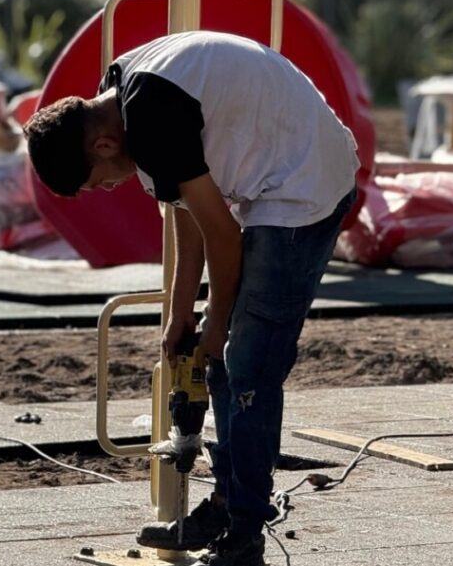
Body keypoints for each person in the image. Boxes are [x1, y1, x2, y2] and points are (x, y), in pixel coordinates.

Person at [25, 30, 360, 565]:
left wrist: (217, 323)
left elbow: (222, 236)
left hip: (304, 184)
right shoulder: (121, 94)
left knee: (248, 363)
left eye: (98, 182)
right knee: (223, 358)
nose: (108, 188)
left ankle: (244, 534)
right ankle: (227, 505)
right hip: (272, 171)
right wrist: (181, 314)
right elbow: (185, 207)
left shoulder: (149, 117)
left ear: (102, 146)